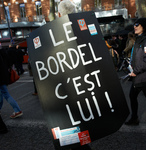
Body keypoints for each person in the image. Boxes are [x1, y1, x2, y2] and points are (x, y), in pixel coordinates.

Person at [57, 1, 92, 149]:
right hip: (84, 85)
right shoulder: (84, 29)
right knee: (81, 121)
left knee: (68, 123)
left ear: (59, 14)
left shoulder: (53, 34)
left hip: (64, 90)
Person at [0, 35, 23, 119]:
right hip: (4, 74)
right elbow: (9, 62)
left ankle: (17, 110)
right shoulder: (2, 50)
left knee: (5, 94)